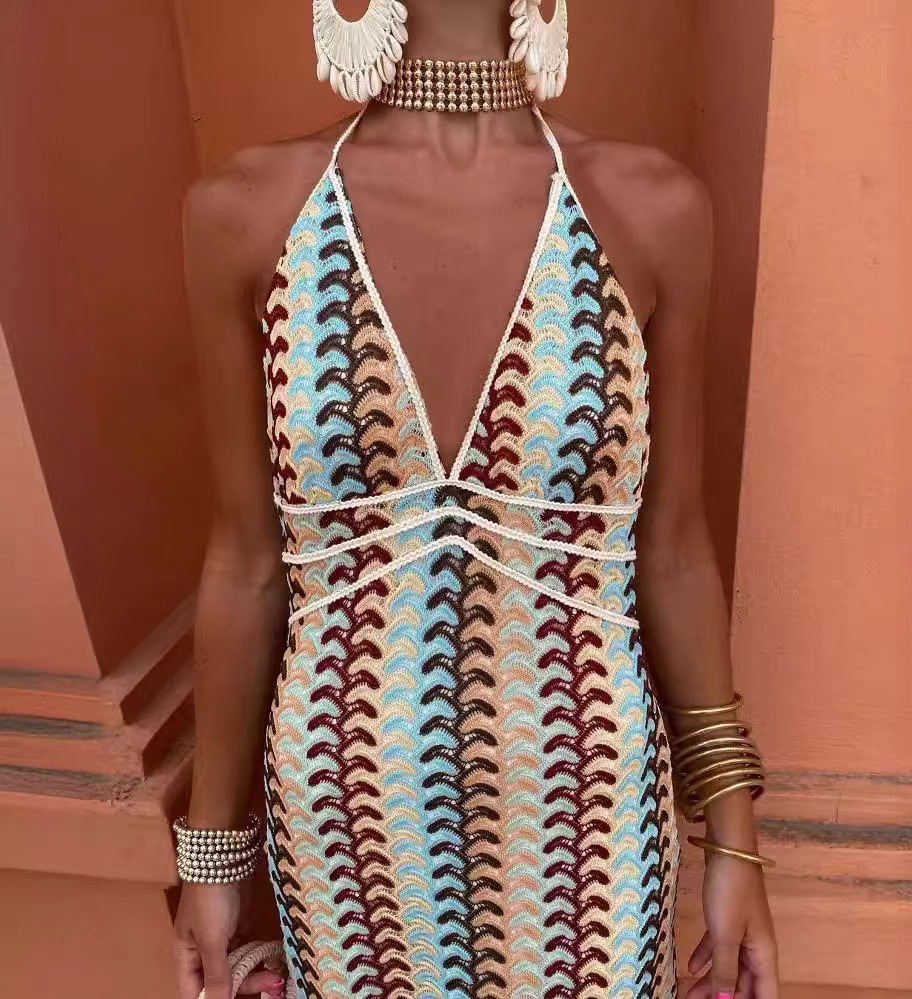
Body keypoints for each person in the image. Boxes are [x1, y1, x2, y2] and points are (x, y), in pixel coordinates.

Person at [173, 2, 779, 998]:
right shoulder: (245, 213)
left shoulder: (651, 209)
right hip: (347, 817)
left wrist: (734, 839)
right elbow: (245, 562)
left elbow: (672, 551)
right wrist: (212, 856)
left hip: (587, 809)